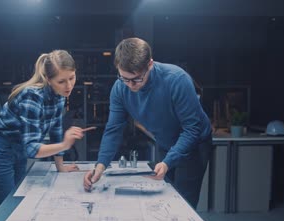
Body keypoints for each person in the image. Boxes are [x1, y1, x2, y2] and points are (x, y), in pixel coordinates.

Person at [83, 38, 212, 209]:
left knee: (183, 203)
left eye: (136, 79)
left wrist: (168, 162)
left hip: (194, 143)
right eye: (124, 78)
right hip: (165, 140)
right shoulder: (120, 88)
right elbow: (113, 130)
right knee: (163, 195)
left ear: (150, 64)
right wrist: (100, 165)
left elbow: (192, 129)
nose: (130, 85)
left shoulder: (176, 79)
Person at [0, 50, 88, 210]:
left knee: (17, 200)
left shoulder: (59, 96)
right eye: (61, 81)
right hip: (1, 149)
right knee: (6, 208)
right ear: (48, 79)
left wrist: (60, 166)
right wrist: (65, 145)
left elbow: (55, 132)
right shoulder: (32, 97)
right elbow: (32, 150)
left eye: (72, 77)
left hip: (19, 149)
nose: (69, 86)